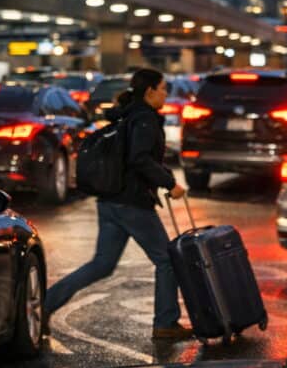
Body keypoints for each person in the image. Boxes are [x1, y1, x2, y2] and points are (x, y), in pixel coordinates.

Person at [45, 68, 192, 341]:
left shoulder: (127, 115)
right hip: (132, 203)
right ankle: (166, 323)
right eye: (162, 89)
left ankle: (45, 305)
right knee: (167, 260)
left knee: (102, 265)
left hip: (111, 200)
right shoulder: (145, 119)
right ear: (149, 91)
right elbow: (140, 159)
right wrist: (170, 183)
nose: (165, 94)